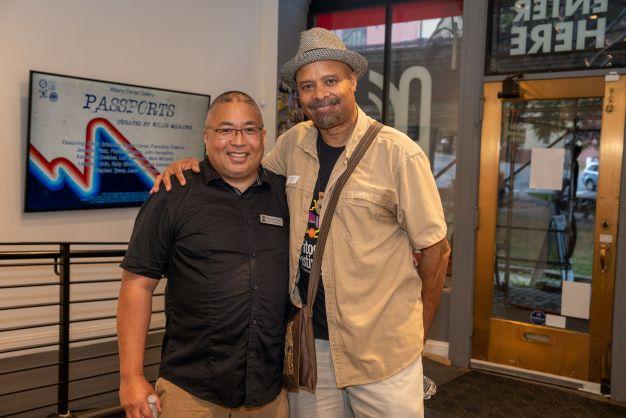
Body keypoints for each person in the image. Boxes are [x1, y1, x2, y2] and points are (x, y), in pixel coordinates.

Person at [154, 28, 451, 417]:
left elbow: (436, 250)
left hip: (382, 351)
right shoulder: (292, 144)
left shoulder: (399, 155)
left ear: (353, 80)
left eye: (331, 80)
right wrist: (191, 166)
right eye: (308, 86)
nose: (320, 94)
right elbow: (242, 171)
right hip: (312, 347)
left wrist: (418, 336)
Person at [117, 91, 290, 418]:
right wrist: (131, 377)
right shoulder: (173, 194)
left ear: (264, 136)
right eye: (225, 130)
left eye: (249, 129)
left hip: (268, 394)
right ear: (206, 136)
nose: (238, 141)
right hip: (191, 393)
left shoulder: (285, 196)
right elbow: (137, 285)